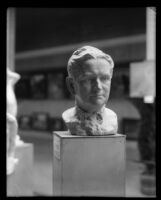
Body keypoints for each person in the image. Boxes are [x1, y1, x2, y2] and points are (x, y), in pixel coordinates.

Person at [62, 46, 118, 136]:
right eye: (88, 79)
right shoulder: (69, 119)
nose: (98, 87)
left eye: (104, 78)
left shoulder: (112, 118)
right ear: (71, 85)